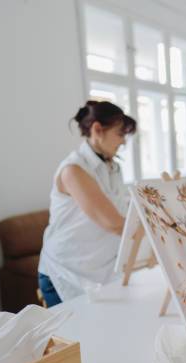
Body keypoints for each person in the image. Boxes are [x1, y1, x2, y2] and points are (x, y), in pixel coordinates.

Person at [38, 101, 136, 306]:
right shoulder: (73, 170)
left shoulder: (113, 167)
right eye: (120, 134)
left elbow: (124, 207)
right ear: (97, 130)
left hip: (99, 271)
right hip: (65, 272)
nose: (123, 142)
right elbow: (114, 223)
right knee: (78, 337)